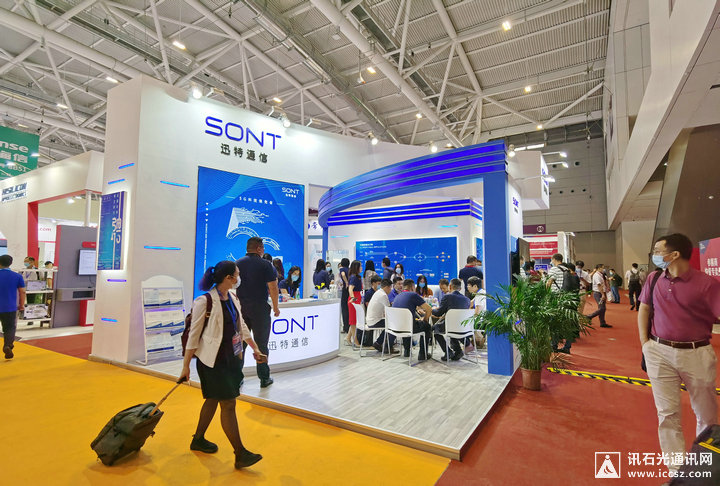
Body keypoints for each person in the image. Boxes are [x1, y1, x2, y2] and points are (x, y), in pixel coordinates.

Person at [638, 233, 720, 474]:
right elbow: (644, 309)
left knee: (706, 415)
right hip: (659, 352)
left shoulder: (707, 284)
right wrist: (645, 344)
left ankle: (703, 471)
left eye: (658, 250)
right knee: (667, 414)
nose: (654, 255)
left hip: (696, 353)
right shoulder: (654, 278)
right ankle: (676, 472)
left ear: (674, 255)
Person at [178, 261, 264, 469]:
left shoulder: (233, 298)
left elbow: (241, 326)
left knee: (212, 400)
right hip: (212, 362)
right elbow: (193, 335)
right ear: (228, 278)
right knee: (228, 404)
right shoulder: (204, 301)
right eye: (237, 275)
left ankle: (198, 439)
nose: (239, 278)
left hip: (231, 359)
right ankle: (240, 453)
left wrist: (254, 348)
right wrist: (186, 366)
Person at [235, 237, 280, 388]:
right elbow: (273, 288)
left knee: (240, 344)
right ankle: (264, 378)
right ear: (259, 248)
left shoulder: (237, 264)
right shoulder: (266, 265)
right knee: (261, 344)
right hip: (260, 309)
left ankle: (237, 377)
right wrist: (276, 307)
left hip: (241, 309)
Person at [390, 279, 433, 360]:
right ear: (412, 287)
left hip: (396, 327)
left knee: (407, 322)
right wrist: (425, 319)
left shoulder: (398, 296)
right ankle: (423, 354)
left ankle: (407, 351)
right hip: (408, 327)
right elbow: (429, 309)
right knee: (427, 326)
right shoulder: (413, 295)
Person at [432, 278, 470, 361]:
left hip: (451, 326)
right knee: (451, 326)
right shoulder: (467, 300)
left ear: (450, 286)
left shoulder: (447, 297)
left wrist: (432, 309)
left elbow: (438, 313)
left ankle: (448, 352)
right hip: (464, 328)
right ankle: (458, 351)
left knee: (435, 328)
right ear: (460, 288)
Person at [0, 255, 25, 360]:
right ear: (11, 263)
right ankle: (7, 345)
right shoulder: (17, 276)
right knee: (9, 328)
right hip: (9, 307)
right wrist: (21, 305)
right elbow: (22, 292)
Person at [367, 279, 395, 353]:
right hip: (375, 321)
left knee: (390, 323)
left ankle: (379, 343)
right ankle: (386, 346)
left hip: (371, 320)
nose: (391, 290)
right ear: (387, 287)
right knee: (393, 325)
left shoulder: (378, 292)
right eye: (390, 288)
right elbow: (389, 310)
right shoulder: (383, 295)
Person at [586, 264, 611, 328]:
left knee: (602, 308)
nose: (603, 269)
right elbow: (599, 285)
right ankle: (589, 316)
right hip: (598, 293)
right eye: (602, 268)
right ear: (599, 268)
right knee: (602, 308)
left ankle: (602, 322)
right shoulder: (596, 275)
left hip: (601, 292)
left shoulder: (601, 275)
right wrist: (602, 294)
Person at [346, 260, 363, 346]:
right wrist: (353, 298)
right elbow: (350, 289)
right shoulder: (353, 277)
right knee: (353, 322)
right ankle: (356, 342)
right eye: (360, 266)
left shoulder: (357, 277)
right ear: (356, 267)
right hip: (354, 300)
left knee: (354, 320)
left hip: (357, 299)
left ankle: (348, 338)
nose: (361, 268)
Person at [338, 258, 350, 333]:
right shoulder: (350, 269)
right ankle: (349, 327)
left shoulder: (342, 269)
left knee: (344, 308)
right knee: (349, 308)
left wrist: (346, 282)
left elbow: (343, 274)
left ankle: (346, 328)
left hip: (345, 289)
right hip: (350, 289)